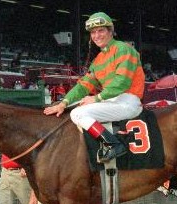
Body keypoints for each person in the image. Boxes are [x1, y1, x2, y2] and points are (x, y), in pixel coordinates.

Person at [43, 12, 145, 163]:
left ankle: (113, 144)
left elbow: (122, 82)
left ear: (111, 31)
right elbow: (84, 85)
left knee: (77, 113)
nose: (96, 35)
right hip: (111, 101)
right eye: (93, 32)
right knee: (69, 108)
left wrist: (96, 98)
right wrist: (63, 103)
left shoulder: (123, 48)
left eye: (101, 30)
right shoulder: (98, 60)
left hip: (127, 101)